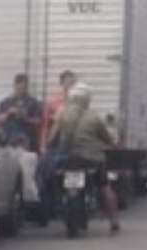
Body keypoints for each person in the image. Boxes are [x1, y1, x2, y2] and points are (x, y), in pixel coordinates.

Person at [48, 83, 122, 233]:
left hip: (67, 161)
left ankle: (52, 207)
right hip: (91, 160)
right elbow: (108, 140)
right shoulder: (94, 117)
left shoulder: (61, 113)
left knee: (53, 180)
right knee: (104, 186)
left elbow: (51, 139)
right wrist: (113, 144)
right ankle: (114, 220)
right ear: (87, 99)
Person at [0, 74, 43, 149]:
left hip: (27, 137)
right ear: (14, 86)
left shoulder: (33, 102)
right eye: (19, 87)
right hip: (8, 137)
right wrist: (8, 113)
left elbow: (38, 121)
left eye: (24, 88)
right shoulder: (5, 102)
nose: (21, 90)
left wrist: (25, 118)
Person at [42, 70, 77, 150]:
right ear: (61, 83)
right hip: (56, 139)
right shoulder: (52, 101)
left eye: (72, 83)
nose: (70, 86)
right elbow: (45, 125)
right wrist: (43, 144)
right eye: (68, 82)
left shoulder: (79, 102)